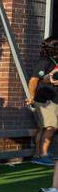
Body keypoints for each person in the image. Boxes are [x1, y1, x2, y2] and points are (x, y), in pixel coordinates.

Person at [26, 36, 57, 165]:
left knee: (43, 128)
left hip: (52, 100)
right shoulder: (44, 61)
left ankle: (37, 155)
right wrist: (31, 97)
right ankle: (43, 154)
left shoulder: (54, 61)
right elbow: (34, 80)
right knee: (51, 127)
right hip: (45, 100)